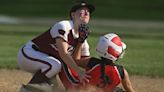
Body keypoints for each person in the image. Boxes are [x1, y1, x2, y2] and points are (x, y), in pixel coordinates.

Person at [17, 1, 95, 91]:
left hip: (44, 60)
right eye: (82, 10)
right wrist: (79, 72)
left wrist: (99, 66)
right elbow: (63, 54)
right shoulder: (64, 26)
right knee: (55, 65)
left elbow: (81, 61)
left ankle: (37, 86)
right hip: (29, 54)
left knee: (54, 88)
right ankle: (27, 90)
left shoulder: (82, 40)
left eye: (88, 12)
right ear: (73, 15)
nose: (86, 13)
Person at [58, 33, 135, 92]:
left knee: (64, 61)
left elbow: (75, 61)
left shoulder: (92, 62)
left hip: (78, 89)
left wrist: (80, 42)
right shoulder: (122, 71)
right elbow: (130, 90)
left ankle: (50, 85)